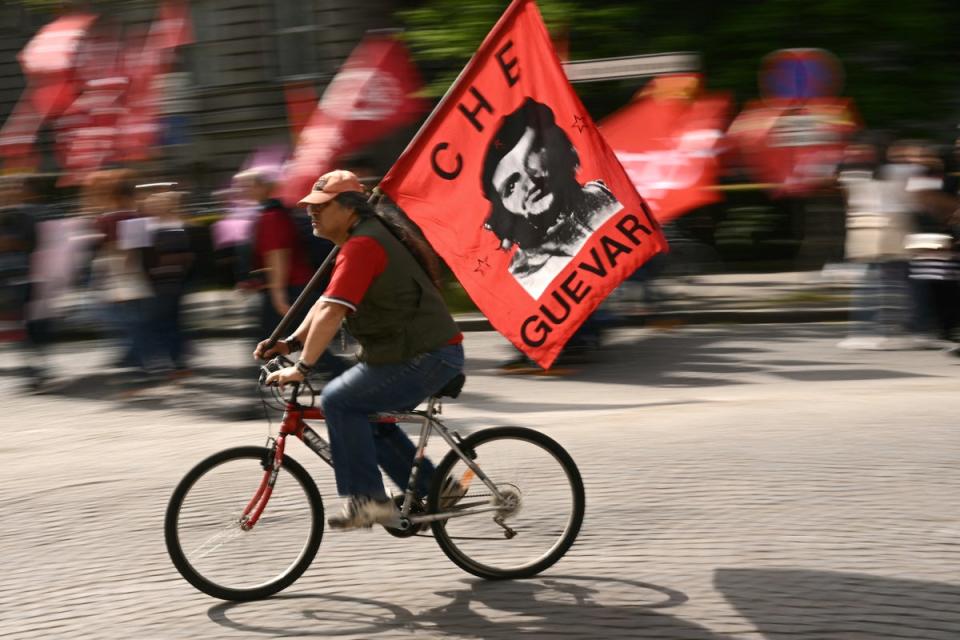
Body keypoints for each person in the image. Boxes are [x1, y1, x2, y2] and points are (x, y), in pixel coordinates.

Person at [255, 170, 465, 530]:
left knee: (339, 400)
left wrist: (302, 368)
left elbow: (335, 312)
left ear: (350, 208)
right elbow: (325, 303)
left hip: (426, 356)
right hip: (413, 353)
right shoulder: (358, 242)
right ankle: (436, 489)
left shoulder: (363, 246)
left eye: (322, 206)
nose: (312, 212)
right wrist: (290, 342)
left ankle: (369, 501)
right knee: (367, 419)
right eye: (310, 206)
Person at [482, 98, 622, 298]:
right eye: (511, 186)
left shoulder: (608, 199)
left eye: (532, 153)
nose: (529, 181)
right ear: (504, 208)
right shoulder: (526, 278)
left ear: (564, 150)